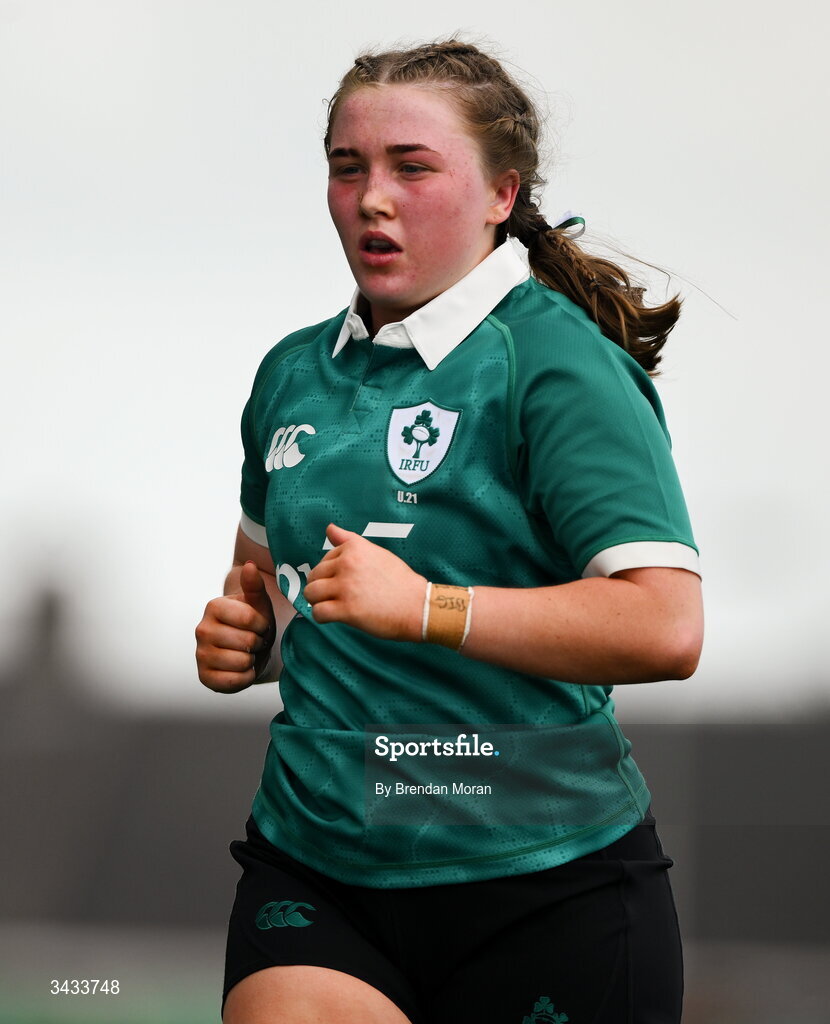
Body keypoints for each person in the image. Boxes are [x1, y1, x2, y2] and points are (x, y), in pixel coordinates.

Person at [195, 38, 704, 1024]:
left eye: (411, 167)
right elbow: (265, 589)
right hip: (317, 866)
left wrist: (427, 608)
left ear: (499, 194)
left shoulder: (551, 364)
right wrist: (246, 640)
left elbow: (665, 627)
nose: (371, 197)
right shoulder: (290, 374)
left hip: (544, 882)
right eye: (349, 169)